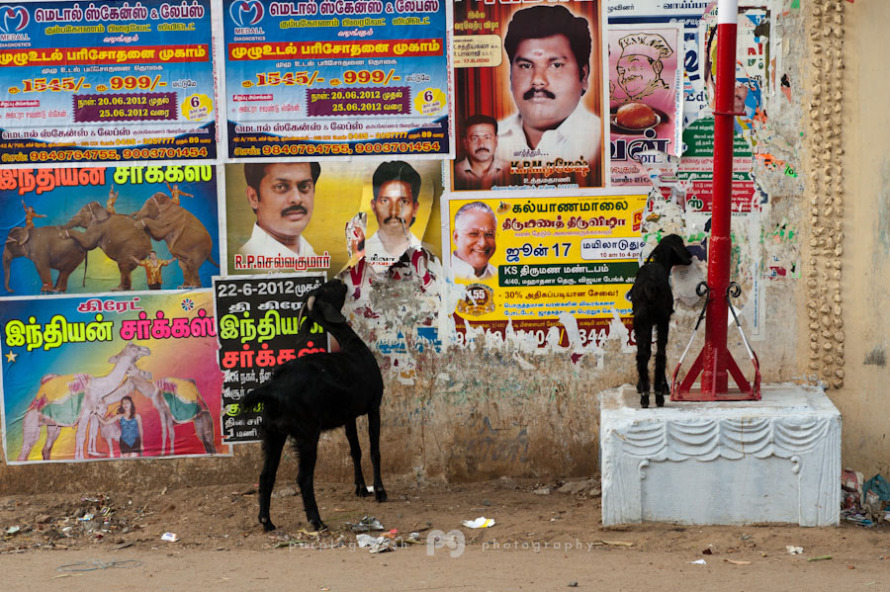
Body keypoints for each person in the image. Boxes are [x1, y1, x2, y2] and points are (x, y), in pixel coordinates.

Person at [497, 5, 602, 180]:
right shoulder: (489, 140)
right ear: (510, 75)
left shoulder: (601, 139)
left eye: (555, 65)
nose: (537, 80)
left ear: (583, 75)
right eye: (526, 66)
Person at [238, 162, 319, 259]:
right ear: (253, 197)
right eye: (280, 187)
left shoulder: (318, 260)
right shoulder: (245, 261)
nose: (297, 199)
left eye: (304, 186)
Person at [364, 161, 423, 272]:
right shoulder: (360, 256)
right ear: (373, 206)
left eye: (403, 202)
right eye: (385, 201)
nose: (394, 211)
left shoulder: (426, 256)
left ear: (415, 208)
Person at [454, 114, 509, 190]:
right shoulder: (454, 173)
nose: (482, 144)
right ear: (465, 143)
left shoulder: (509, 169)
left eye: (487, 137)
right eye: (474, 138)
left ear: (496, 141)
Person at [614, 33, 674, 103]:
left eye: (634, 68)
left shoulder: (664, 101)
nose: (626, 76)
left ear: (657, 67)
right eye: (621, 71)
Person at [451, 201, 497, 281]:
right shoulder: (441, 271)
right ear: (456, 237)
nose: (483, 243)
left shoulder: (497, 274)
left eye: (489, 234)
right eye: (473, 234)